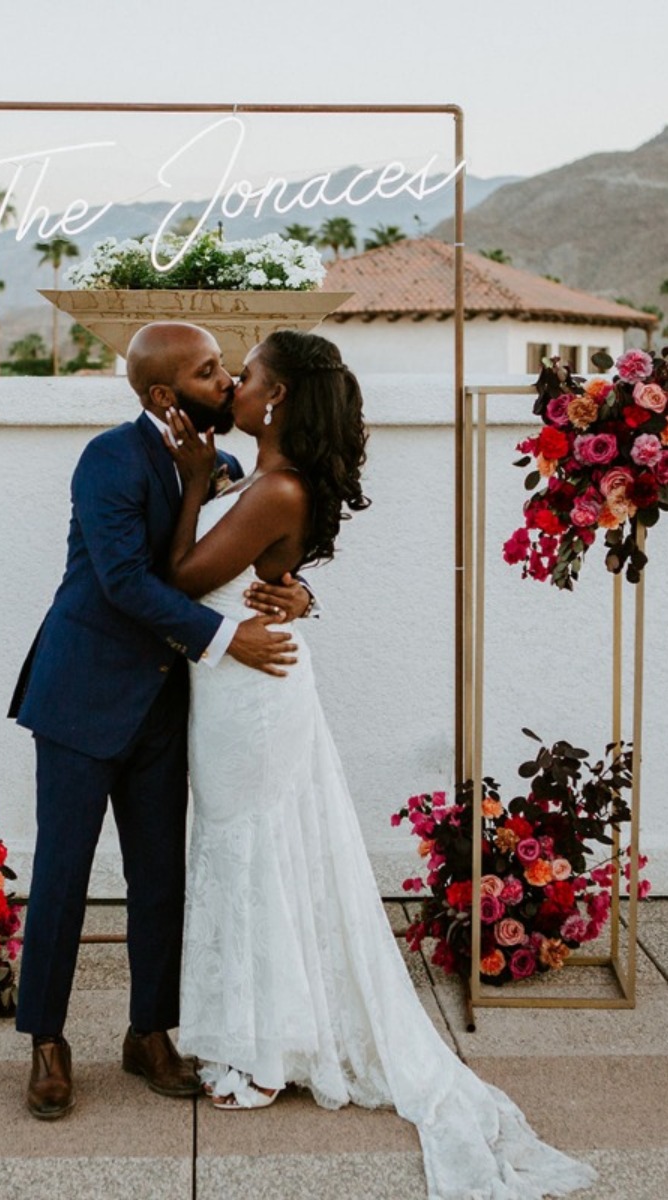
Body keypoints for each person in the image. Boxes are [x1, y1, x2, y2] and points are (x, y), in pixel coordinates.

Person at [162, 329, 597, 1200]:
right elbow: (250, 575)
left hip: (252, 696)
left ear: (277, 397)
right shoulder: (258, 481)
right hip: (243, 682)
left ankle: (263, 1045)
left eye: (245, 377)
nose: (233, 387)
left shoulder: (272, 487)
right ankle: (262, 1027)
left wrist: (186, 483)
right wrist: (218, 491)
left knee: (249, 852)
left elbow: (176, 578)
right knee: (250, 849)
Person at [8, 321, 312, 1120]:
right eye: (213, 371)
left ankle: (149, 1033)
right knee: (63, 877)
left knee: (160, 880)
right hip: (80, 694)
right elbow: (122, 583)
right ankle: (46, 1040)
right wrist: (226, 639)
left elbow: (261, 547)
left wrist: (300, 593)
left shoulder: (225, 464)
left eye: (229, 368)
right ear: (163, 395)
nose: (230, 381)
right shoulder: (107, 459)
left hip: (168, 704)